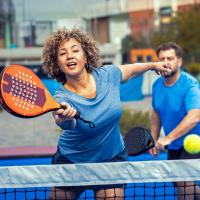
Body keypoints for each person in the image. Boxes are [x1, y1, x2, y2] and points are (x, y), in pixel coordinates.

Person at [42, 28, 170, 200]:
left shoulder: (107, 75)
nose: (70, 56)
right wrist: (64, 119)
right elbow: (66, 123)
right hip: (72, 161)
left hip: (111, 157)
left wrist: (153, 65)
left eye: (75, 50)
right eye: (62, 53)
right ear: (57, 64)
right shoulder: (61, 97)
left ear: (86, 57)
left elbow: (131, 70)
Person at [150, 41, 200, 200]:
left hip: (194, 143)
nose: (165, 62)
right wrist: (153, 138)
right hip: (174, 145)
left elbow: (195, 116)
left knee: (184, 186)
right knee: (180, 184)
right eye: (161, 58)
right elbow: (156, 112)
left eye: (170, 58)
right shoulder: (156, 85)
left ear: (179, 61)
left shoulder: (190, 85)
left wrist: (167, 138)